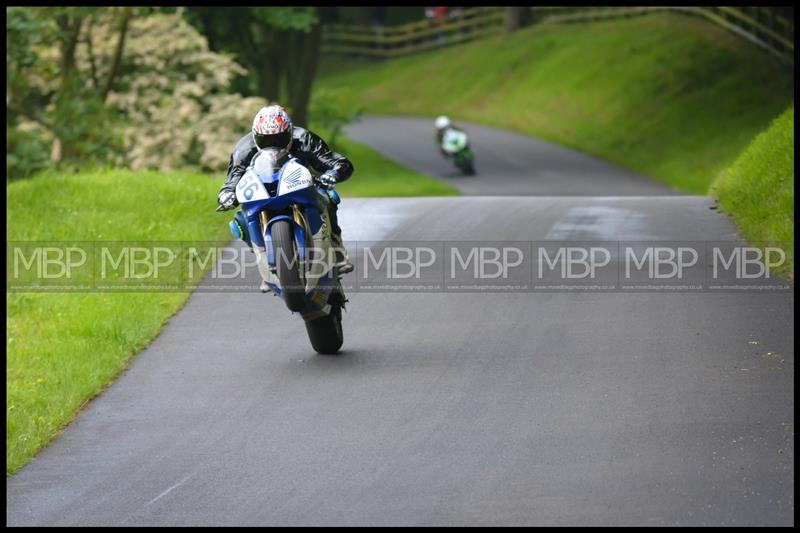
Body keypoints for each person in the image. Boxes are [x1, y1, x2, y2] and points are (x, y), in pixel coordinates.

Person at [217, 104, 355, 284]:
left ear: (289, 132)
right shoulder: (244, 148)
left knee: (329, 196)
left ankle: (335, 245)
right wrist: (227, 193)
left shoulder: (304, 139)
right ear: (255, 136)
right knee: (239, 220)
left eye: (279, 138)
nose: (272, 145)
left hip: (300, 187)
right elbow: (233, 176)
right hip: (263, 188)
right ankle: (265, 259)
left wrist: (333, 173)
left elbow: (337, 162)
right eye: (265, 140)